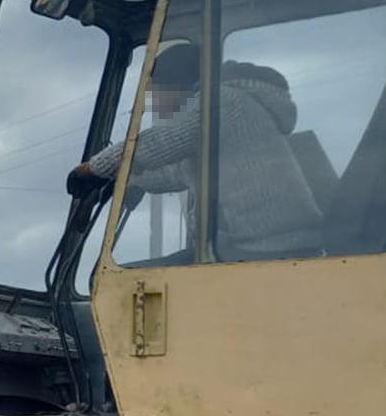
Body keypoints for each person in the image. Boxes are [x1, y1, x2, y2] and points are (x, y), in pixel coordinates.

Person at [66, 42, 323, 261]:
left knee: (135, 280)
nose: (155, 103)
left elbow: (162, 142)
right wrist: (124, 180)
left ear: (177, 84)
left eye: (157, 92)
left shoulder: (224, 103)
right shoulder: (222, 119)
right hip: (259, 245)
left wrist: (93, 169)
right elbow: (176, 174)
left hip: (272, 247)